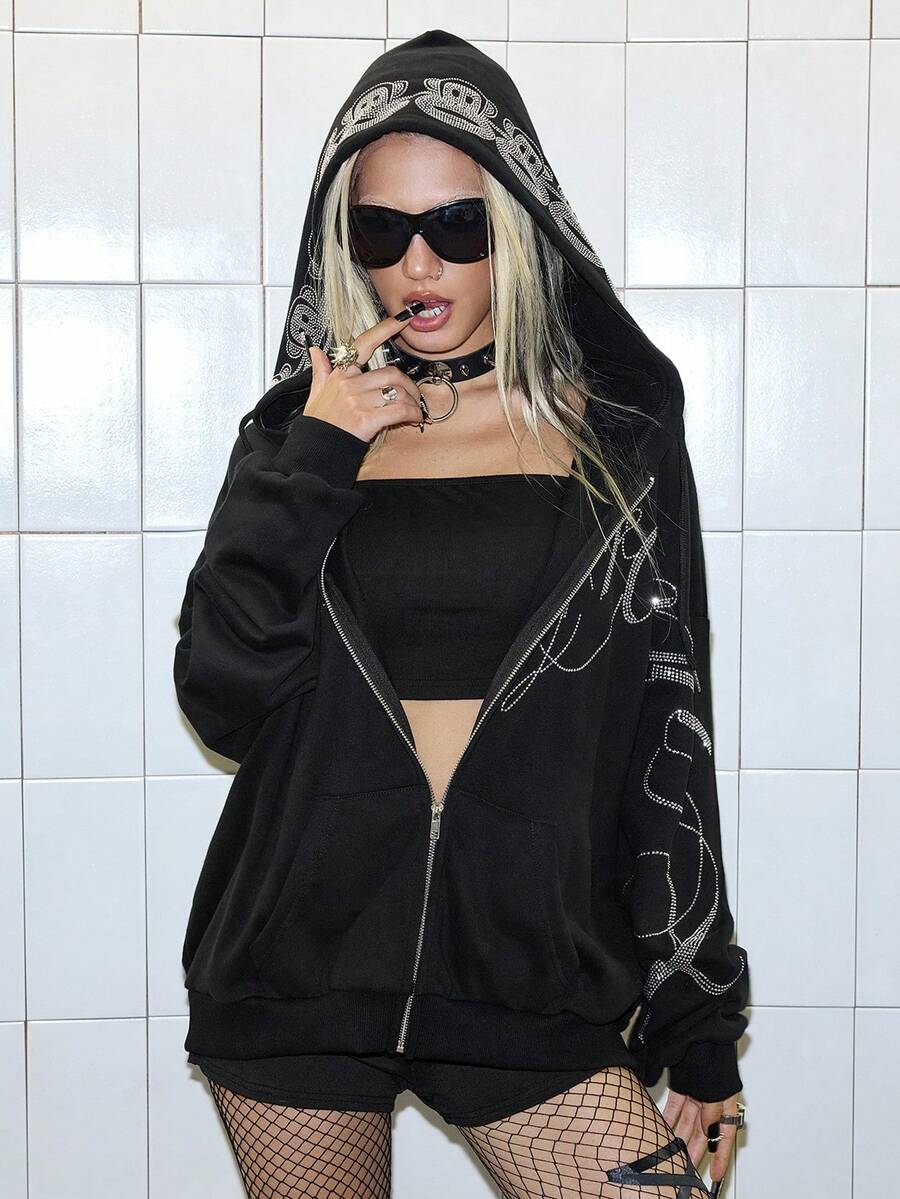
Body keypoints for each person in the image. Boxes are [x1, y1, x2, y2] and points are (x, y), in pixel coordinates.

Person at [174, 29, 750, 1198]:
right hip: (299, 969)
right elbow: (221, 691)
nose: (418, 262)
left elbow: (668, 730)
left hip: (527, 975)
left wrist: (696, 1010)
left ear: (517, 230)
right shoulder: (294, 438)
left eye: (457, 226)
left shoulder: (618, 441)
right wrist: (321, 450)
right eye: (380, 231)